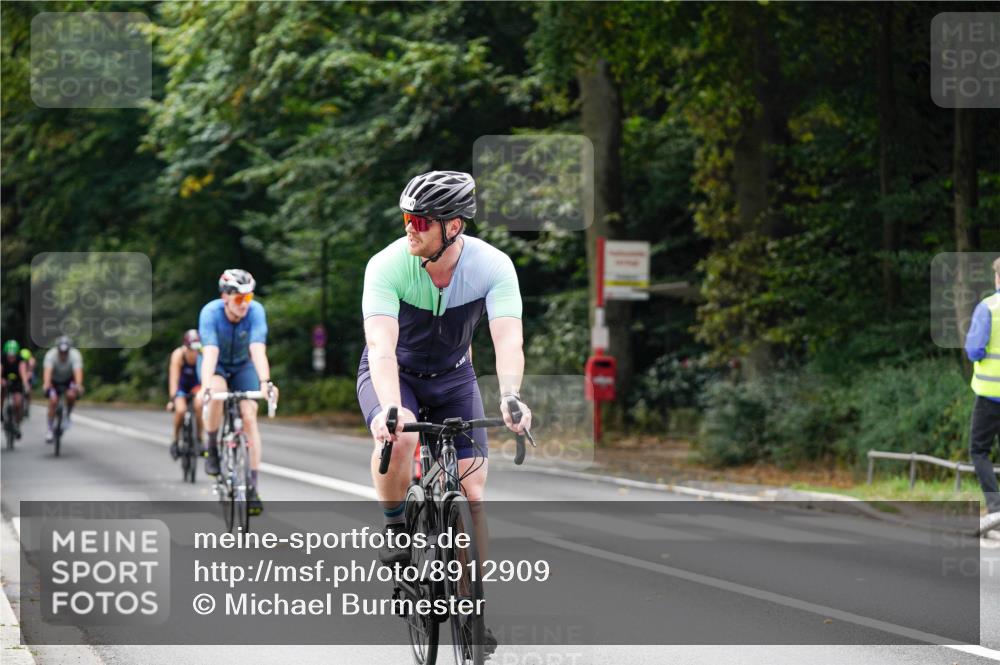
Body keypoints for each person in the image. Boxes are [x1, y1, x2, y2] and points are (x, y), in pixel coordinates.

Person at [357, 170, 532, 655]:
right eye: (405, 217)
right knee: (404, 437)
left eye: (418, 220)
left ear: (452, 226)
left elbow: (508, 338)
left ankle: (471, 607)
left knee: (473, 494)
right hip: (397, 373)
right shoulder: (387, 264)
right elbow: (381, 347)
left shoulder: (493, 267)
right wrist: (390, 407)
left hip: (456, 377)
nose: (408, 228)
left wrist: (511, 396)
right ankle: (396, 526)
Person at [198, 269, 277, 516]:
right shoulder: (210, 313)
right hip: (218, 365)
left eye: (249, 298)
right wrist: (206, 387)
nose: (245, 304)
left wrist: (266, 382)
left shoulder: (256, 312)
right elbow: (210, 352)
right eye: (239, 299)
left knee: (249, 413)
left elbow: (257, 349)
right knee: (217, 392)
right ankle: (211, 445)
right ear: (225, 297)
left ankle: (252, 487)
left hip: (244, 365)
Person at [968, 257, 1000, 534]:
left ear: (997, 278)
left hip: (990, 395)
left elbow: (974, 350)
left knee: (979, 450)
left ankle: (995, 509)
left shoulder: (987, 308)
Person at [167, 329, 204, 460]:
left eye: (196, 350)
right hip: (181, 386)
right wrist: (173, 398)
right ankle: (175, 439)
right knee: (181, 410)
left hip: (196, 385)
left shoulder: (202, 354)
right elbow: (174, 378)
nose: (193, 353)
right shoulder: (178, 355)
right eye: (191, 350)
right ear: (185, 347)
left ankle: (199, 438)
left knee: (199, 406)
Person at [42, 335, 84, 444]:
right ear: (57, 350)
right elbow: (47, 372)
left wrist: (78, 385)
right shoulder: (51, 355)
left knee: (71, 395)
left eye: (65, 352)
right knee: (53, 400)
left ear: (69, 350)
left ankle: (68, 415)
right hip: (54, 381)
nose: (63, 355)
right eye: (61, 352)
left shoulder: (75, 355)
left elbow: (78, 372)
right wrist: (46, 384)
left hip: (69, 380)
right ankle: (50, 429)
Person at [1, 340, 30, 439]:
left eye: (13, 355)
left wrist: (25, 383)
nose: (11, 358)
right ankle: (1, 411)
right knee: (2, 390)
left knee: (18, 402)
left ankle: (17, 423)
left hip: (17, 382)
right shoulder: (2, 358)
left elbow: (23, 372)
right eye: (9, 355)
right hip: (4, 380)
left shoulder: (20, 359)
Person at [20, 347, 36, 418]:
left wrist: (26, 380)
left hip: (29, 375)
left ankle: (28, 406)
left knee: (28, 390)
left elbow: (30, 372)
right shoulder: (19, 361)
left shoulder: (31, 361)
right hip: (20, 375)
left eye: (25, 360)